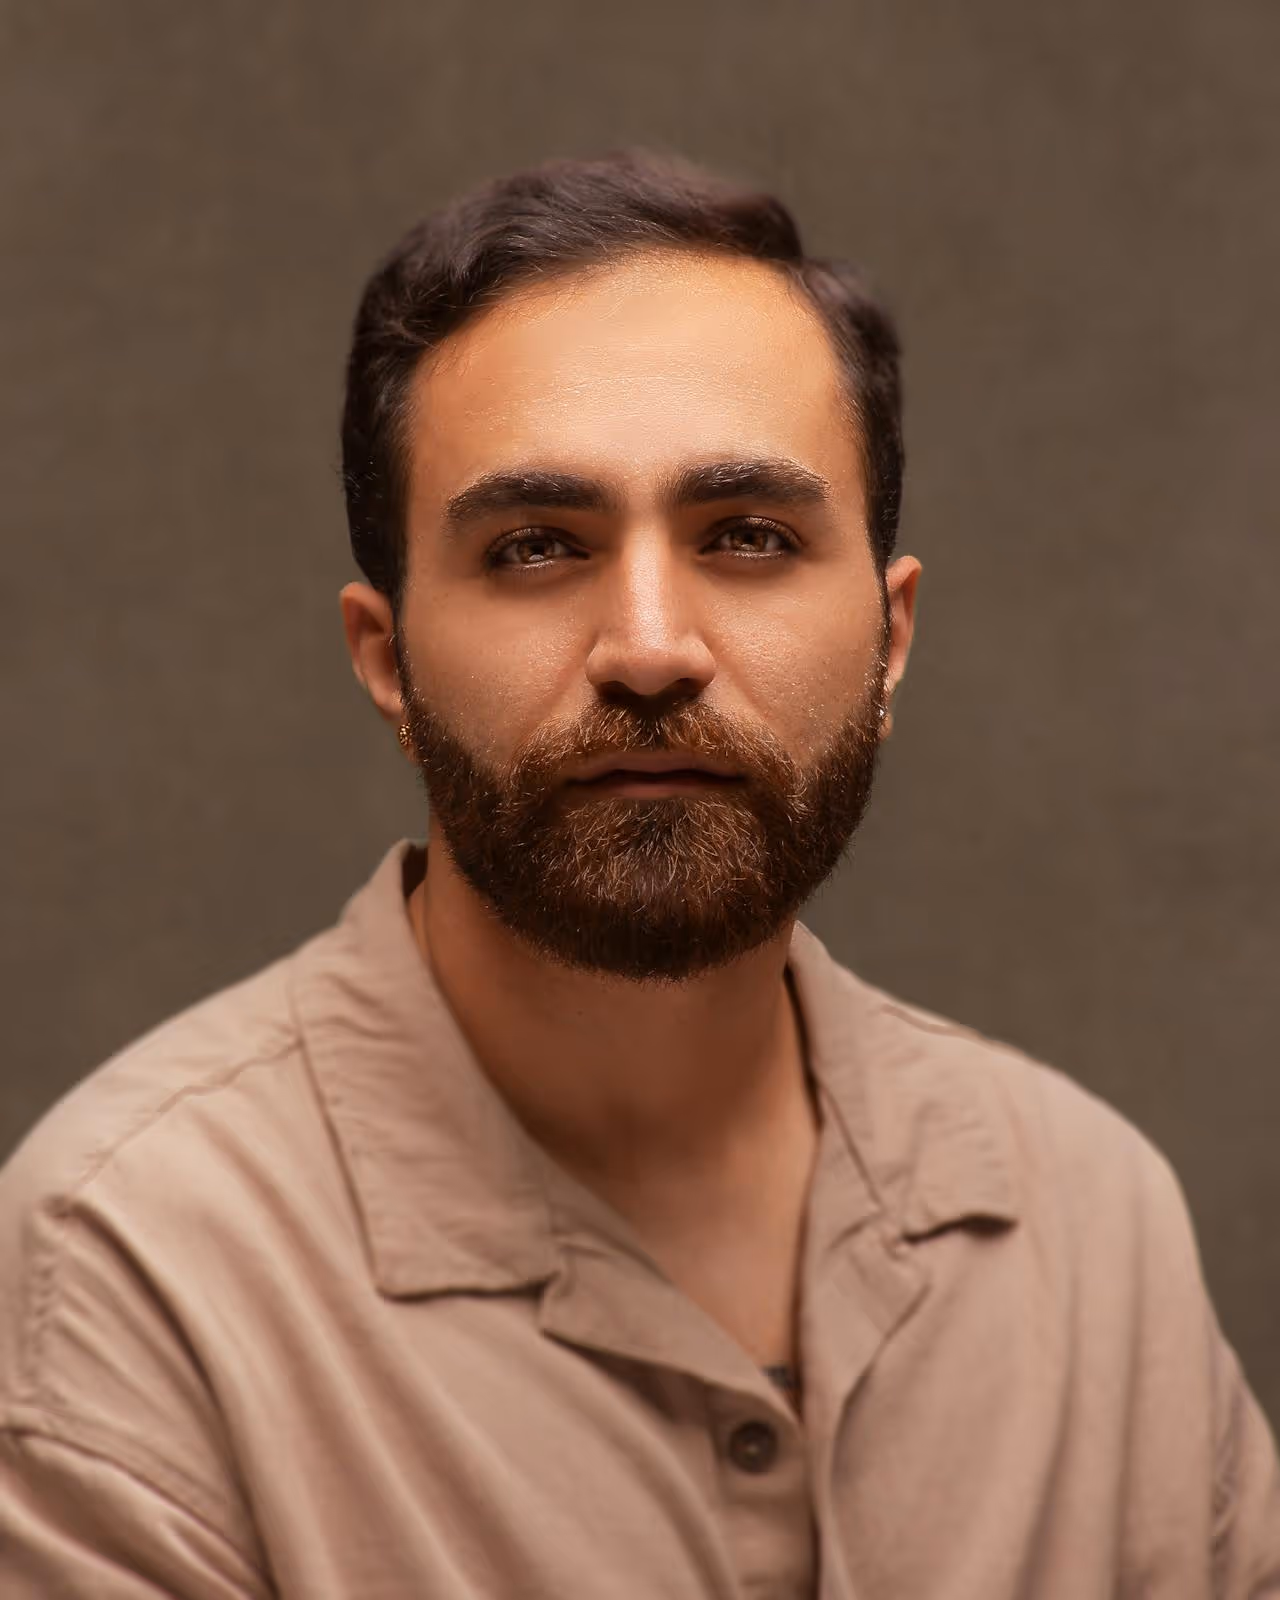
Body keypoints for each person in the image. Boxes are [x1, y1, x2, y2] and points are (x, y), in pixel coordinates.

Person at [1, 149, 1277, 1599]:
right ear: (388, 663)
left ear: (891, 640)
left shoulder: (1093, 1223)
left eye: (748, 536)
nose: (652, 646)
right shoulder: (133, 1266)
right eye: (537, 548)